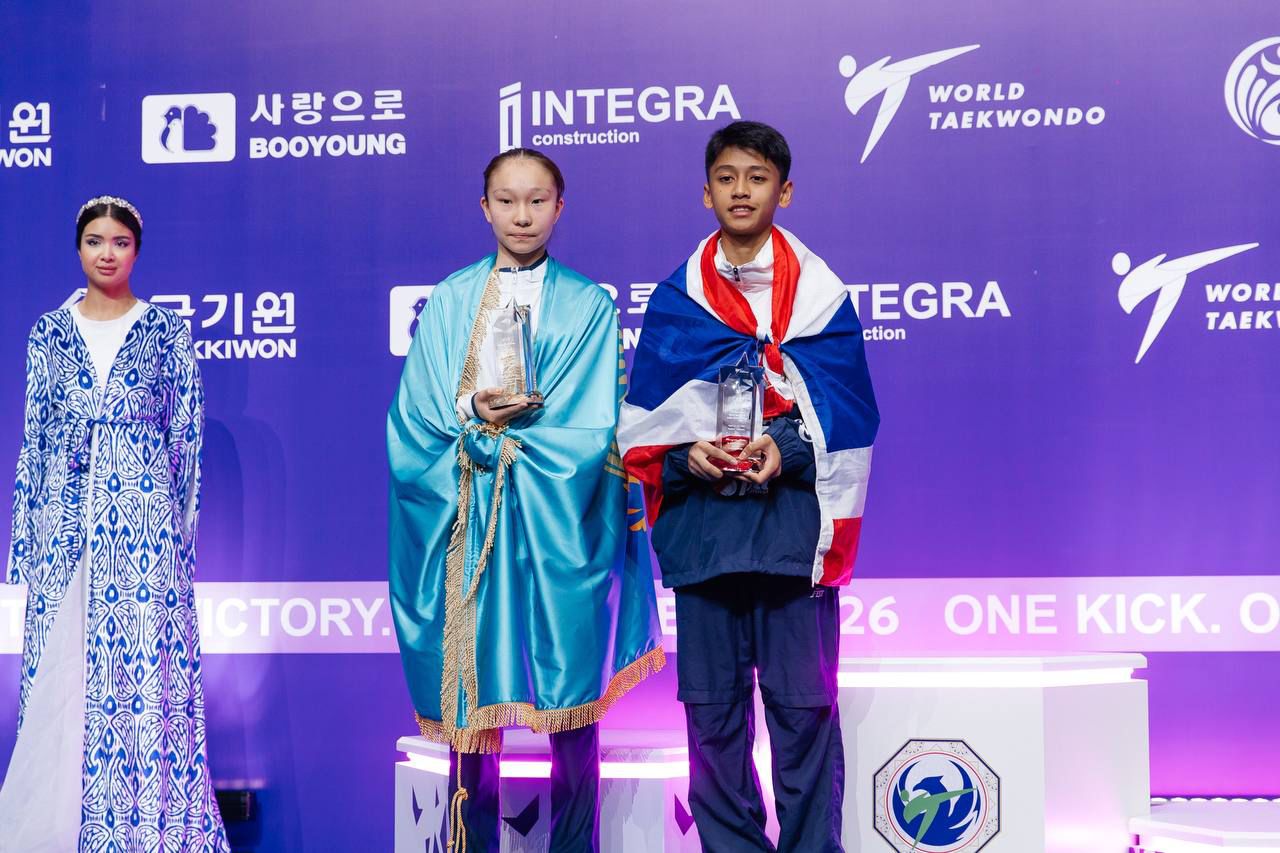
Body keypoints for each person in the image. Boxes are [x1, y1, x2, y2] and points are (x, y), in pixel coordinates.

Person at [388, 149, 664, 852]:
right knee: (471, 706)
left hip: (556, 519)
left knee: (571, 702)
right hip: (469, 515)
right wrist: (470, 416)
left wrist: (512, 445)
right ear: (484, 208)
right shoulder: (451, 299)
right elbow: (414, 415)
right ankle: (472, 842)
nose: (522, 215)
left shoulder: (589, 305)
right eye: (507, 201)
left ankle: (576, 844)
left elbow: (597, 424)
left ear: (559, 207)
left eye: (537, 201)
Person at [619, 121, 880, 851]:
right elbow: (643, 429)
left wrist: (785, 448)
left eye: (757, 178)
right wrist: (687, 455)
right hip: (706, 542)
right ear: (706, 192)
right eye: (727, 178)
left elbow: (849, 412)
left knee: (804, 717)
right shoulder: (678, 302)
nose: (741, 191)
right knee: (713, 721)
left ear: (784, 192)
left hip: (791, 538)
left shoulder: (820, 298)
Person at [2, 196, 229, 852]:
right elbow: (34, 439)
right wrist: (26, 546)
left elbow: (185, 439)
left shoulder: (165, 332)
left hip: (143, 533)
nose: (107, 253)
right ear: (78, 248)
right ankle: (59, 828)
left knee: (143, 682)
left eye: (120, 242)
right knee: (60, 677)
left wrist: (176, 542)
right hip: (64, 529)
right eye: (95, 241)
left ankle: (145, 828)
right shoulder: (49, 333)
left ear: (137, 250)